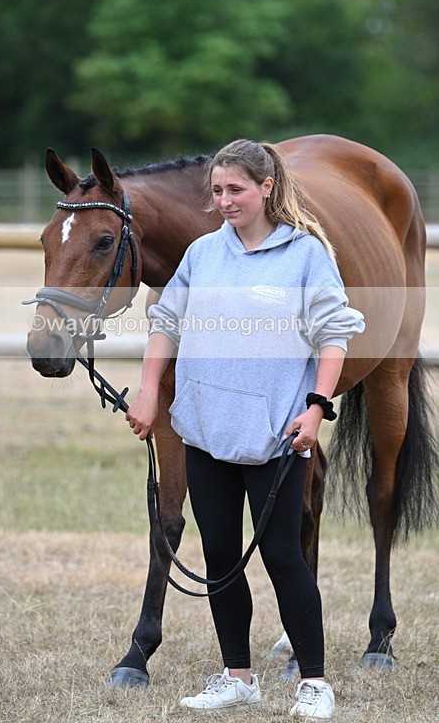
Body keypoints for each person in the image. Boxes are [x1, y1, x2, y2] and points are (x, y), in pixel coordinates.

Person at [125, 139, 364, 718]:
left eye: (236, 190)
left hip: (278, 436)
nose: (225, 201)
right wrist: (150, 388)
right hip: (206, 429)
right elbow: (166, 322)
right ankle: (238, 676)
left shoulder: (306, 255)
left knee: (283, 556)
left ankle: (315, 682)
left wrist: (316, 406)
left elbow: (334, 332)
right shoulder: (204, 254)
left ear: (267, 188)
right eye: (217, 192)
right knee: (221, 557)